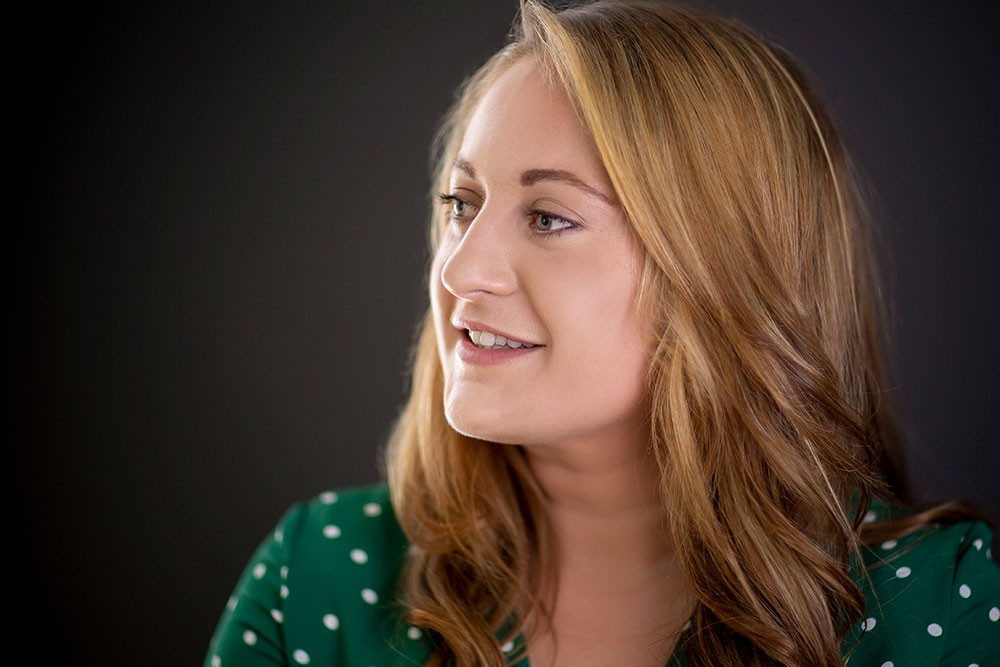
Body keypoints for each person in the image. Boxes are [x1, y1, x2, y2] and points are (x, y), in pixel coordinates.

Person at [203, 1, 1000, 665]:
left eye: (549, 217)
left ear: (722, 270)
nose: (459, 269)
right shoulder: (315, 575)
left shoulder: (942, 603)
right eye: (462, 205)